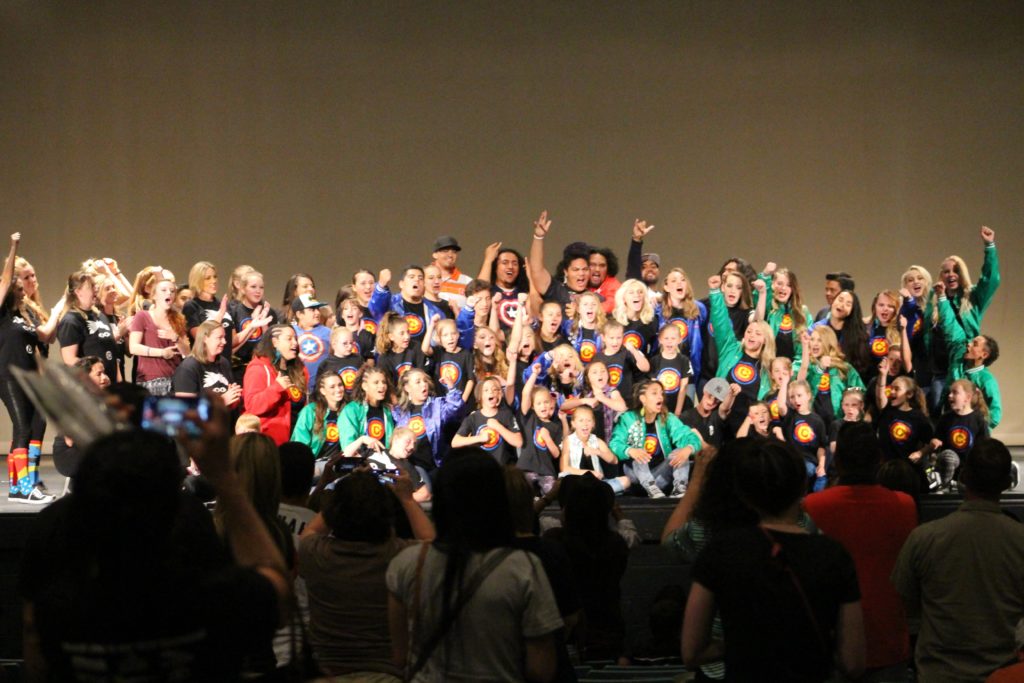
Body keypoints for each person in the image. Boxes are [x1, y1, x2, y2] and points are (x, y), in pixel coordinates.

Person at [20, 397, 291, 682]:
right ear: (176, 506)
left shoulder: (59, 606)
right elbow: (279, 593)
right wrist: (224, 478)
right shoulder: (210, 599)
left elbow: (36, 659)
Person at [682, 439, 865, 682]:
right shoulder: (833, 555)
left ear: (746, 494)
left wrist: (738, 644)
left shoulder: (721, 552)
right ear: (802, 487)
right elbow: (852, 663)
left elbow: (692, 652)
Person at [387, 453, 563, 682]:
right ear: (498, 501)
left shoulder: (406, 563)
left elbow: (400, 657)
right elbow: (541, 668)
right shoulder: (523, 567)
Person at [892, 438, 1024, 683]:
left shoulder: (924, 537)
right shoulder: (1019, 540)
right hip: (1002, 672)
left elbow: (905, 605)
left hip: (938, 673)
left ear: (963, 476)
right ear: (1008, 483)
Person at [804, 422, 917, 681]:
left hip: (832, 640)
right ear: (878, 459)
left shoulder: (813, 506)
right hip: (889, 639)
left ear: (839, 460)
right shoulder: (904, 505)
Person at [299, 468, 434, 679]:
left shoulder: (316, 553)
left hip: (327, 672)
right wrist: (407, 500)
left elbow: (310, 532)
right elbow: (431, 545)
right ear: (387, 516)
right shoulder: (401, 556)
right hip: (387, 673)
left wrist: (344, 496)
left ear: (334, 513)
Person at [0, 233, 53, 504]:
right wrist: (13, 246)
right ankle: (21, 486)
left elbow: (46, 337)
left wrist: (66, 302)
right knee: (22, 428)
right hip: (8, 377)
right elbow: (6, 279)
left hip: (30, 378)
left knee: (32, 428)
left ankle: (26, 484)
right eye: (18, 289)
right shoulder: (2, 315)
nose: (23, 292)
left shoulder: (24, 316)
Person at [609, 380, 702, 499]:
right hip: (636, 479)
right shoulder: (628, 418)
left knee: (680, 451)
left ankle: (679, 488)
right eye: (654, 393)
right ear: (643, 399)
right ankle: (650, 487)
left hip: (660, 478)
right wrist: (630, 451)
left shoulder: (668, 418)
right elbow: (614, 443)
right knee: (639, 453)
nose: (660, 396)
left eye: (661, 393)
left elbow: (688, 436)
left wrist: (688, 449)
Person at [242, 324, 308, 444]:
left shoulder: (299, 369)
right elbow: (252, 406)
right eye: (289, 339)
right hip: (268, 444)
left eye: (295, 338)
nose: (295, 343)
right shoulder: (258, 368)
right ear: (275, 342)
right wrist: (276, 388)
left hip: (295, 442)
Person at [128, 278, 190, 396]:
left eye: (172, 291)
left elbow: (187, 353)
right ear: (154, 296)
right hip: (150, 381)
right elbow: (133, 347)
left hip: (175, 379)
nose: (169, 293)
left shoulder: (178, 319)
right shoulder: (142, 316)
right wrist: (161, 353)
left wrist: (176, 338)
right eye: (164, 290)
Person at [430, 236, 472, 312]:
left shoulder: (467, 282)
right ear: (435, 254)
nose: (450, 255)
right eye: (445, 251)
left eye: (454, 252)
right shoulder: (423, 278)